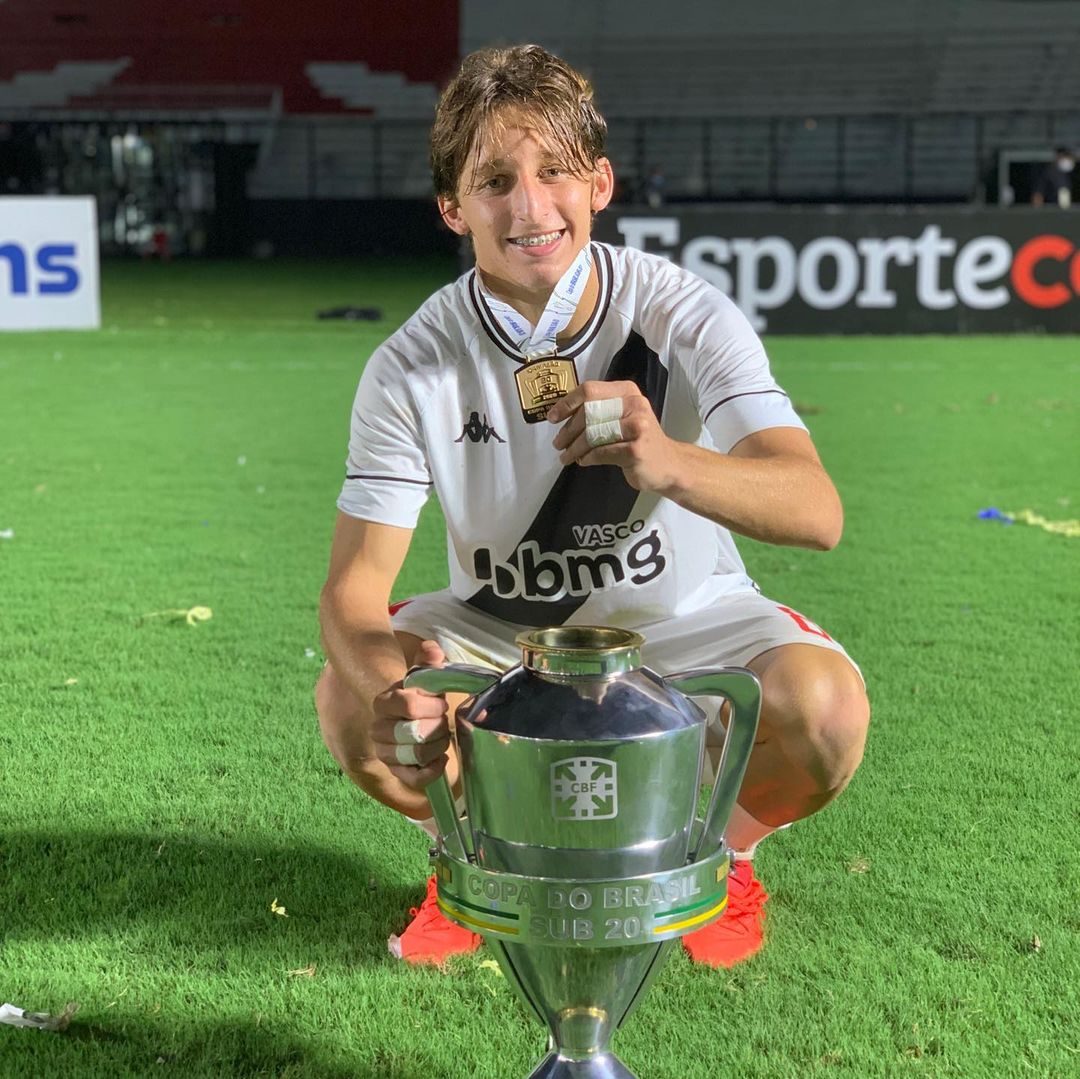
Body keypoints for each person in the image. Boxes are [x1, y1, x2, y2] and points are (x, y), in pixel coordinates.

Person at [316, 44, 870, 968]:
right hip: (506, 631)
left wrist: (666, 459)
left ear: (599, 184)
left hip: (684, 619)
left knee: (825, 711)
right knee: (348, 700)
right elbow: (351, 591)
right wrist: (392, 687)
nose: (531, 207)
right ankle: (468, 862)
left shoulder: (684, 315)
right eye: (496, 180)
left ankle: (719, 857)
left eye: (555, 173)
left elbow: (817, 510)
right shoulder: (411, 365)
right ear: (454, 207)